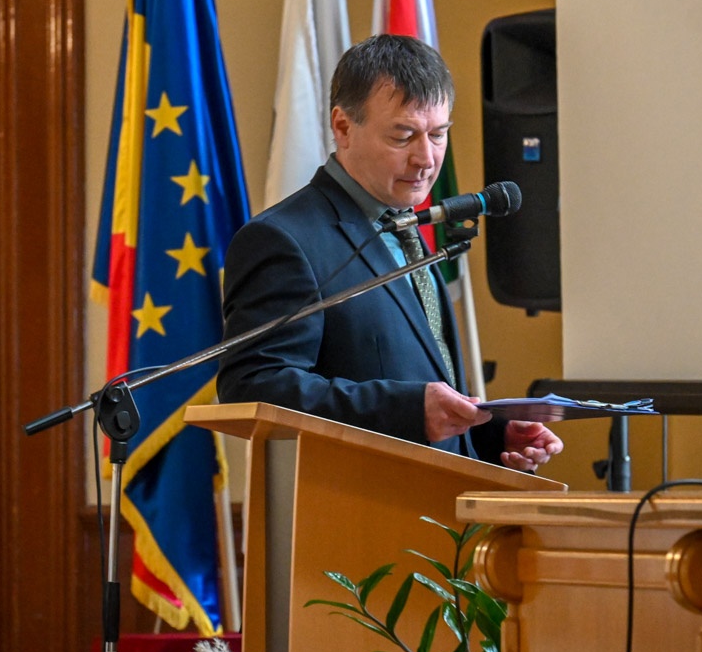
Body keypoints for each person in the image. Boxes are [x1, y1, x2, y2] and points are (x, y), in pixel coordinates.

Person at [217, 34, 562, 472]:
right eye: (403, 136)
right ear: (343, 127)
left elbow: (416, 380)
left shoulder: (406, 228)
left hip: (437, 499)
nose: (426, 158)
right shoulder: (283, 240)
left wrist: (490, 433)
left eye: (438, 135)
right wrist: (409, 409)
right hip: (348, 501)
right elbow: (253, 386)